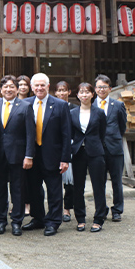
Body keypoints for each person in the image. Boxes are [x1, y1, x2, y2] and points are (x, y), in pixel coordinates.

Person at [23, 73, 71, 236]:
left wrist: (65, 158)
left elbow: (66, 134)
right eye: (36, 85)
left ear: (48, 86)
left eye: (42, 85)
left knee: (54, 190)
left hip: (53, 156)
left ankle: (53, 222)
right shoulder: (25, 104)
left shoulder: (60, 105)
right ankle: (38, 218)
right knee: (33, 190)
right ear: (32, 87)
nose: (39, 88)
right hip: (32, 156)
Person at [0, 75, 35, 236]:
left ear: (17, 89)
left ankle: (17, 222)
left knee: (17, 189)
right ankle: (1, 221)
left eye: (12, 87)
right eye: (5, 87)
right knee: (0, 190)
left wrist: (29, 155)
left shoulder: (25, 106)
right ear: (0, 89)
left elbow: (30, 134)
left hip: (18, 155)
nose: (8, 89)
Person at [71, 83, 108, 232]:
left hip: (95, 151)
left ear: (92, 94)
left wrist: (95, 144)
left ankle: (99, 219)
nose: (84, 95)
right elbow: (70, 132)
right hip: (78, 152)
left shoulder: (99, 113)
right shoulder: (72, 113)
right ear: (78, 95)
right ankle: (80, 218)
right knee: (78, 187)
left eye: (87, 92)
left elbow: (102, 133)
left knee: (98, 186)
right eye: (81, 92)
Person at [94, 75, 127, 222]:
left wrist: (113, 138)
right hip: (97, 150)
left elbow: (122, 126)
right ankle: (101, 209)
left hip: (114, 148)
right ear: (95, 89)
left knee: (116, 181)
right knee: (99, 182)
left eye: (104, 87)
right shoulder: (91, 105)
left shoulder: (118, 105)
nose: (101, 90)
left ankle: (117, 210)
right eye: (99, 87)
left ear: (110, 89)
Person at [55, 81, 78, 222]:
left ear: (69, 92)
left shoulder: (75, 108)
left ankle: (67, 208)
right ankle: (56, 208)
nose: (62, 93)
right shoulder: (53, 106)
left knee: (70, 181)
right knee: (55, 180)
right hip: (55, 146)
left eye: (64, 90)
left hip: (70, 144)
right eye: (59, 90)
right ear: (55, 92)